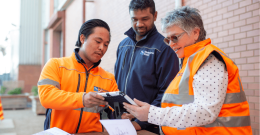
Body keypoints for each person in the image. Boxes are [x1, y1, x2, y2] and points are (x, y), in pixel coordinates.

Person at [123, 6, 252, 135]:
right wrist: (144, 112)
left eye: (175, 37)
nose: (171, 44)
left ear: (195, 33)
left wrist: (152, 113)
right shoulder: (190, 61)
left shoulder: (208, 59)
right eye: (168, 39)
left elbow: (205, 112)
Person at [38, 19, 118, 134]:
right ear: (82, 38)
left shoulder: (108, 78)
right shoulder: (56, 65)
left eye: (106, 44)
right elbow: (46, 96)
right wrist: (82, 99)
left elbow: (114, 111)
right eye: (98, 41)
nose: (102, 48)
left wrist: (123, 115)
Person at [114, 0, 179, 134]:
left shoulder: (164, 48)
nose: (139, 24)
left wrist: (139, 123)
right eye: (134, 19)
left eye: (145, 19)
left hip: (148, 128)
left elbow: (167, 93)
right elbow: (116, 84)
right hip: (121, 123)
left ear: (155, 16)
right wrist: (116, 114)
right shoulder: (123, 45)